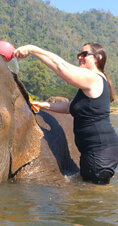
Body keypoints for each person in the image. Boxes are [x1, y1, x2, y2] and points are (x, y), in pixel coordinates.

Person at [13, 43, 118, 184]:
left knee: (93, 195)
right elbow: (70, 107)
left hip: (99, 151)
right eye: (79, 55)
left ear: (97, 58)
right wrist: (42, 105)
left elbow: (60, 66)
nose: (80, 57)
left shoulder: (94, 78)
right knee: (89, 193)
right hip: (96, 150)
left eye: (85, 54)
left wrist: (32, 49)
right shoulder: (91, 83)